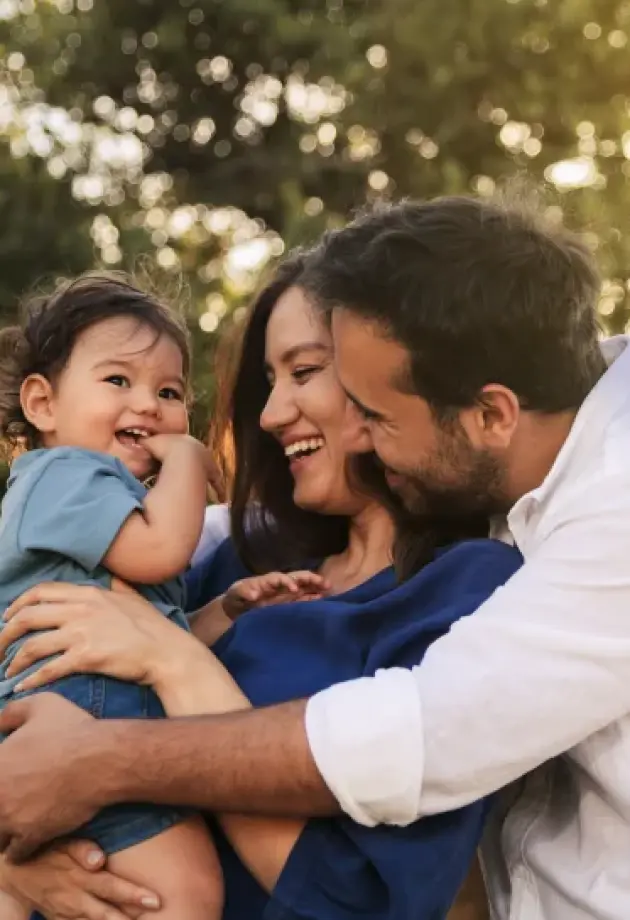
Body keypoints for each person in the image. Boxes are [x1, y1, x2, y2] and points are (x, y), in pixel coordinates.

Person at [0, 193, 627, 918]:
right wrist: (21, 867)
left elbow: (416, 769)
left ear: (483, 410)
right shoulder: (230, 556)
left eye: (309, 371)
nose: (269, 415)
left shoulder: (484, 582)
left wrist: (167, 667)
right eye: (269, 380)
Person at [0, 273, 224, 920]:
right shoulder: (67, 475)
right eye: (118, 381)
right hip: (85, 716)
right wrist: (186, 460)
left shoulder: (104, 505)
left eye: (170, 392)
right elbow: (162, 552)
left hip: (85, 709)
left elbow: (153, 635)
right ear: (43, 405)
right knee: (183, 896)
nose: (149, 406)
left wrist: (228, 610)